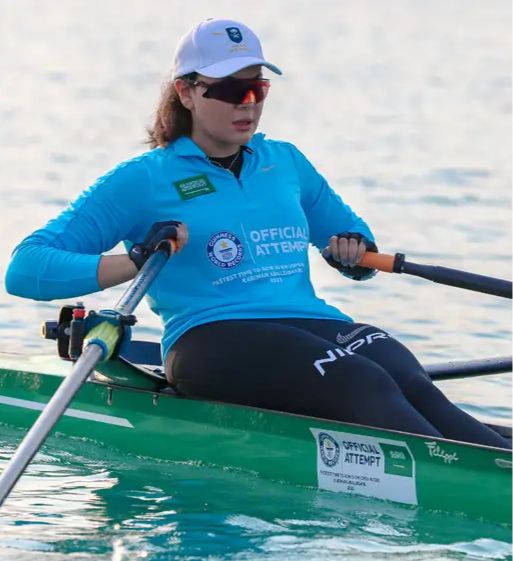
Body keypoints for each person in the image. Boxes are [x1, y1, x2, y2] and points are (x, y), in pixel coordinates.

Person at [5, 18, 509, 449]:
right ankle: (469, 480)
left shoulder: (285, 162)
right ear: (185, 92)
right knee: (362, 382)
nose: (247, 104)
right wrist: (135, 261)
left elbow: (350, 236)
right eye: (229, 91)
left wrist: (354, 250)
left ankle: (490, 461)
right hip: (208, 338)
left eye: (258, 89)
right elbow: (26, 268)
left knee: (402, 370)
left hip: (307, 322)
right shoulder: (143, 179)